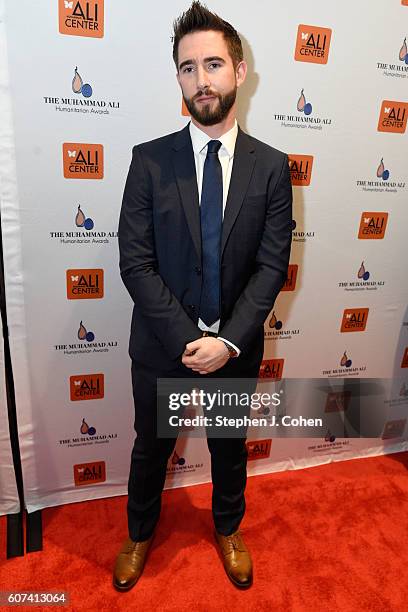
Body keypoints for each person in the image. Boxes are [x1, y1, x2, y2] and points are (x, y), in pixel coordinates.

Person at [115, 1, 292, 591]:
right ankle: (139, 533)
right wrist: (190, 339)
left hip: (233, 351)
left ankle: (227, 527)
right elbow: (136, 264)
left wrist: (228, 342)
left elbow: (271, 268)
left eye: (213, 64)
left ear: (239, 72)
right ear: (179, 79)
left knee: (228, 448)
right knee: (151, 450)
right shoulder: (148, 161)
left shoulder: (271, 169)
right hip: (164, 346)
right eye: (188, 68)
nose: (201, 80)